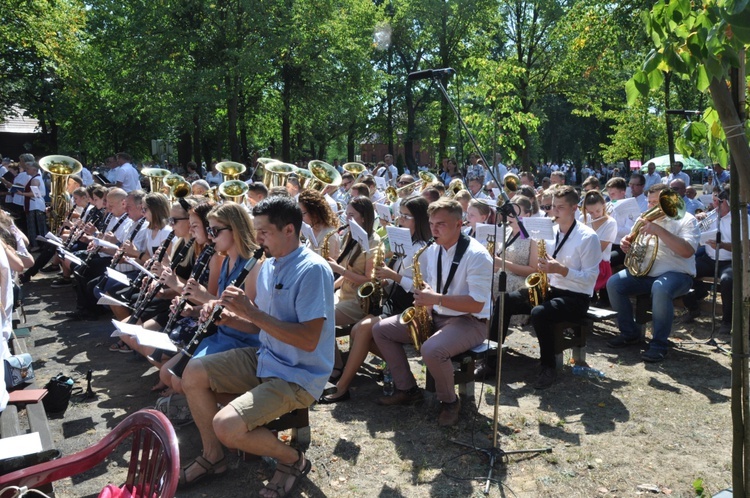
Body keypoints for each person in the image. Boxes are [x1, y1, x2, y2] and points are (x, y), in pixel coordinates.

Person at [179, 196, 334, 494]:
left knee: (226, 425)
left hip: (297, 375)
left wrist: (249, 311)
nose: (257, 238)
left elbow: (308, 339)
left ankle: (293, 460)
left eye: (264, 232)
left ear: (289, 230)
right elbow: (259, 325)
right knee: (193, 372)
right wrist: (231, 319)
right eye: (256, 230)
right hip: (266, 357)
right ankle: (214, 457)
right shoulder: (268, 265)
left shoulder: (312, 269)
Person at [372, 199, 493, 426]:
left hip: (470, 321)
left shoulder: (477, 255)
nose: (434, 229)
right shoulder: (434, 249)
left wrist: (435, 299)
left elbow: (477, 304)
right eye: (431, 223)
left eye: (441, 224)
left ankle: (449, 402)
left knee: (432, 349)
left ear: (459, 224)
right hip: (438, 314)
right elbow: (431, 286)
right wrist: (426, 305)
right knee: (381, 330)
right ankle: (407, 389)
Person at [320, 196, 431, 403]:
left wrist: (393, 276)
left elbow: (421, 287)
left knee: (361, 330)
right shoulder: (405, 243)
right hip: (394, 302)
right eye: (401, 215)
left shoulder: (423, 248)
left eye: (406, 216)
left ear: (419, 220)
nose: (400, 219)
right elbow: (395, 280)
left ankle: (342, 386)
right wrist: (384, 282)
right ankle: (403, 378)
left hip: (410, 307)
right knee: (358, 332)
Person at [499, 185, 601, 389]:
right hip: (551, 289)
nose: (554, 211)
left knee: (539, 313)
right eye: (553, 206)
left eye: (560, 207)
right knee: (506, 299)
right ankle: (492, 357)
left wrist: (562, 270)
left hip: (576, 297)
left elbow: (591, 279)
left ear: (574, 208)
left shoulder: (588, 237)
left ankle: (549, 367)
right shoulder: (551, 231)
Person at [606, 184, 699, 362]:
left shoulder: (687, 219)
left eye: (656, 202)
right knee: (614, 283)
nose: (651, 207)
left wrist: (659, 231)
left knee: (661, 288)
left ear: (669, 201)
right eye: (649, 202)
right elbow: (635, 245)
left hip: (677, 274)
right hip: (645, 273)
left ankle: (659, 344)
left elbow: (687, 251)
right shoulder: (644, 218)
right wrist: (628, 245)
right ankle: (629, 333)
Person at [475, 195, 538, 379]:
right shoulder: (506, 232)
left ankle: (489, 354)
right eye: (510, 212)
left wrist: (502, 263)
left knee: (489, 292)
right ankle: (480, 344)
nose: (510, 216)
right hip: (501, 277)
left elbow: (532, 271)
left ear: (527, 213)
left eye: (516, 212)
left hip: (520, 283)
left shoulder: (533, 236)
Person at [680, 186, 738, 334]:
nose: (715, 205)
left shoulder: (741, 219)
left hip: (731, 261)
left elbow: (746, 247)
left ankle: (727, 321)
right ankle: (693, 306)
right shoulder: (710, 216)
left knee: (727, 281)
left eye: (719, 201)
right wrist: (695, 221)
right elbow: (692, 237)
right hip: (709, 259)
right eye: (713, 200)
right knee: (683, 269)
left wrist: (723, 245)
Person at [581, 190, 618, 304]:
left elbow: (599, 249)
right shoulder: (584, 219)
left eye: (598, 210)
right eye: (591, 212)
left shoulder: (610, 223)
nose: (595, 215)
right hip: (583, 259)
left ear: (604, 206)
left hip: (600, 263)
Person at [299, 190, 340, 259]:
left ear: (314, 213)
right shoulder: (312, 228)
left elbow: (326, 265)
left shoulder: (330, 235)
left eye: (303, 213)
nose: (300, 217)